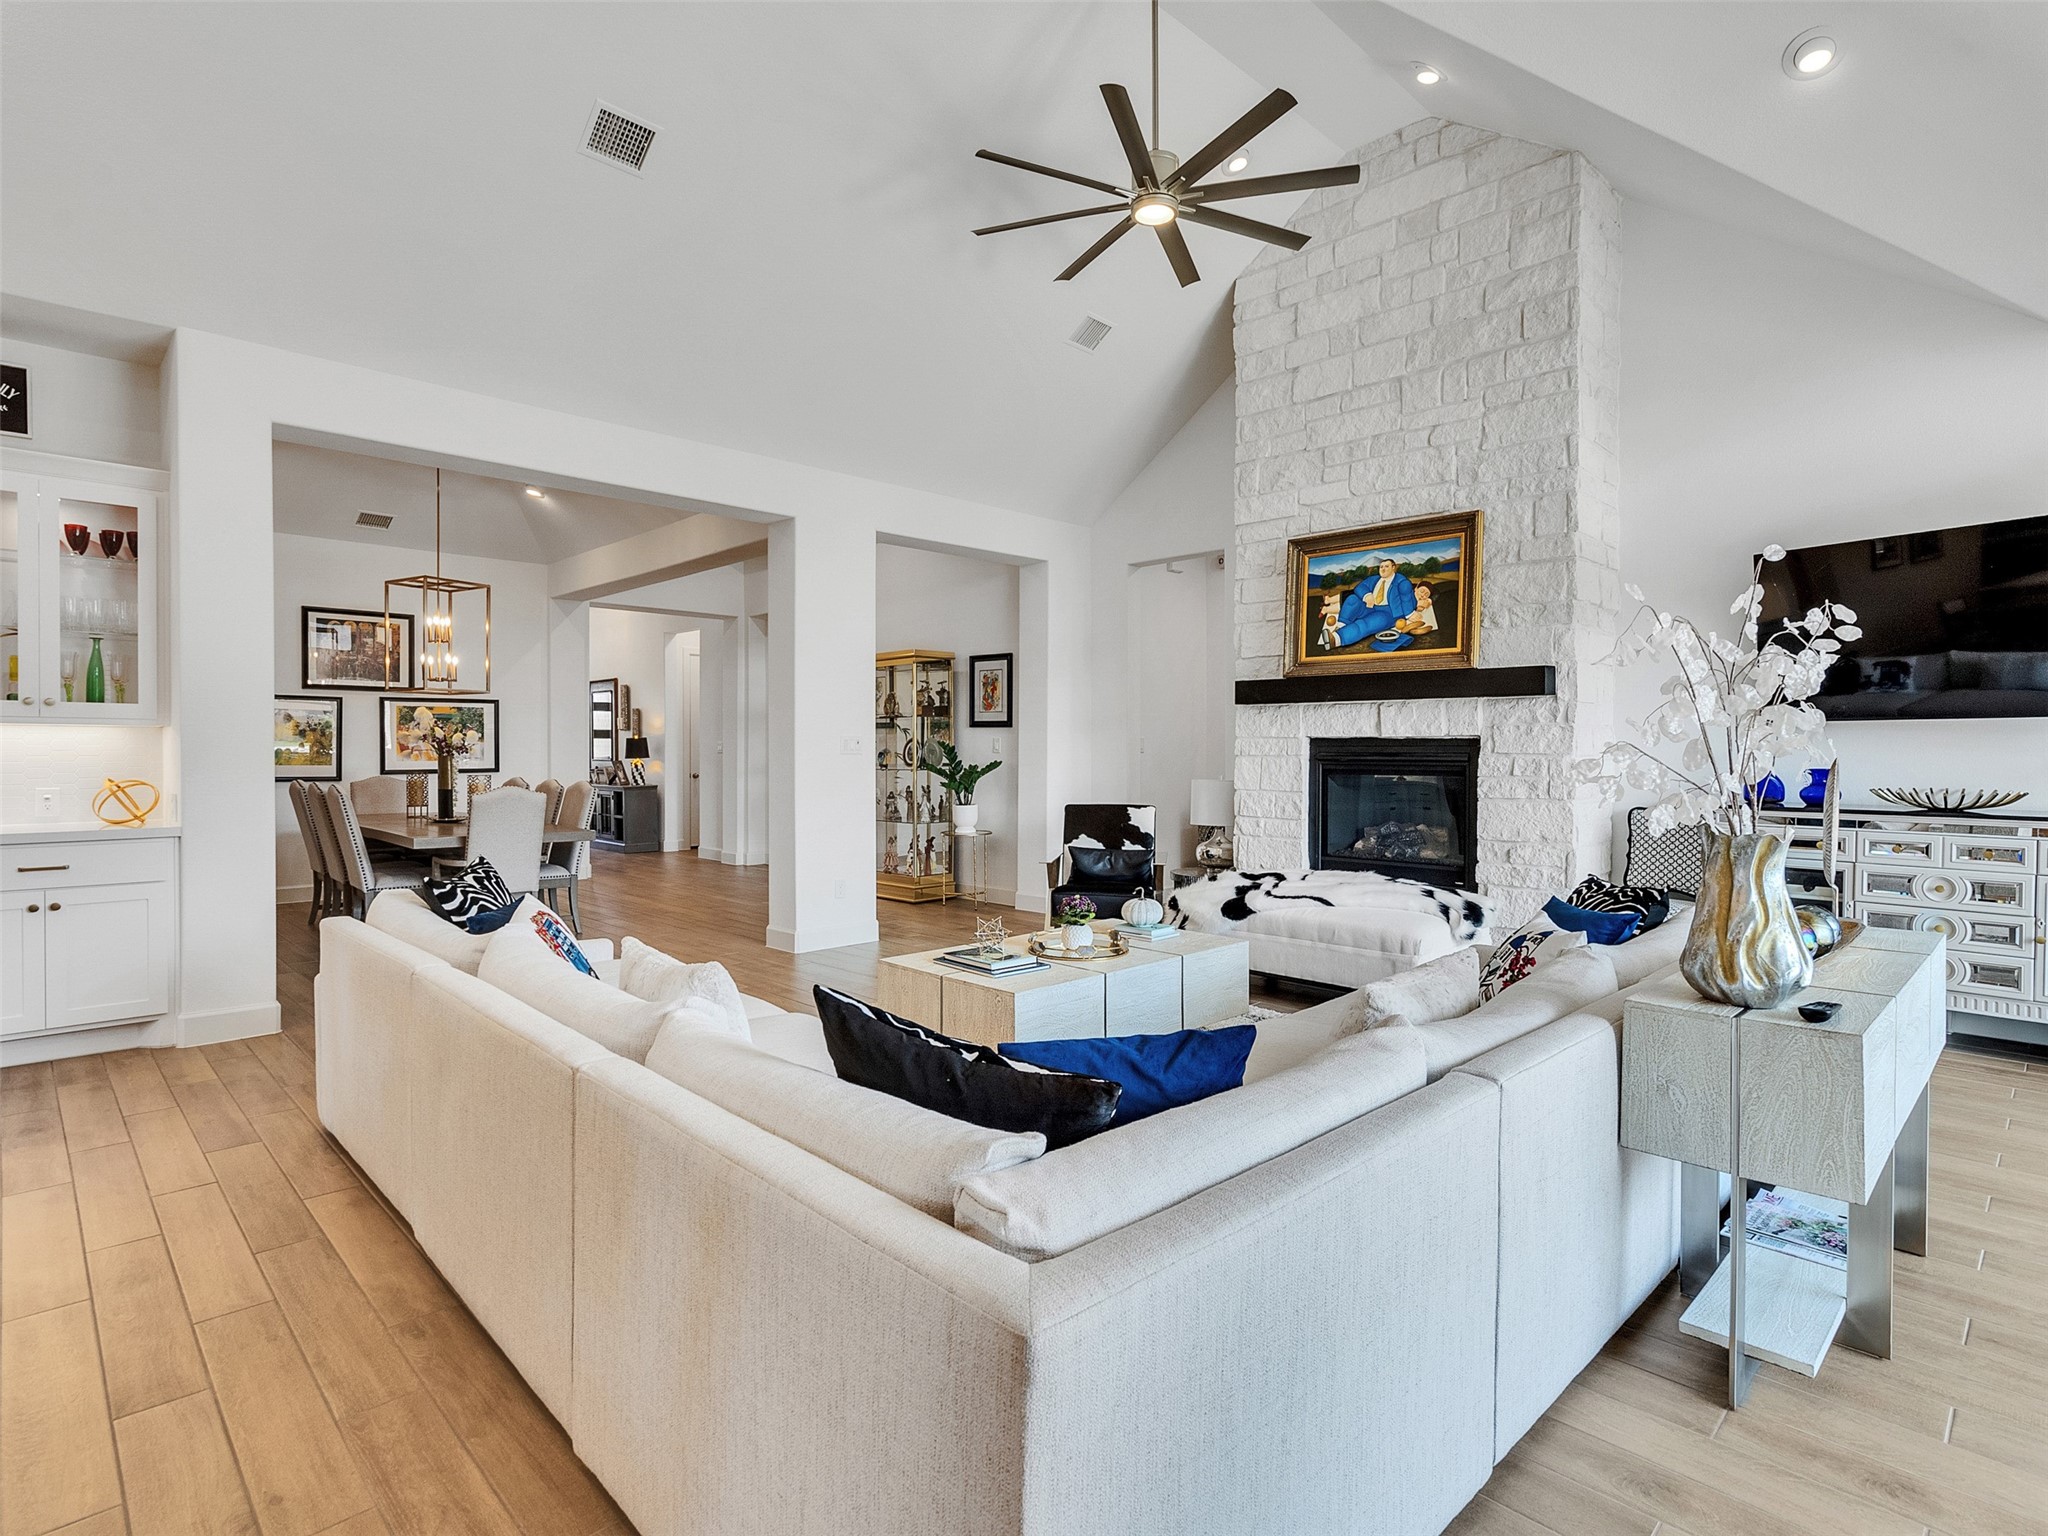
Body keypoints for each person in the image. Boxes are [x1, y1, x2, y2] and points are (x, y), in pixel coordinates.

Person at [1327, 556, 1416, 648]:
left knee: (1365, 623)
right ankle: (1340, 626)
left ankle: (1337, 639)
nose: (1383, 569)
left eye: (1386, 566)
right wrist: (1367, 595)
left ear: (1393, 567)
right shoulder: (1375, 579)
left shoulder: (1401, 582)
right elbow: (1360, 587)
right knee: (1352, 599)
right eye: (1381, 567)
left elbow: (1406, 598)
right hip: (1371, 607)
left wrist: (1409, 614)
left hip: (1388, 613)